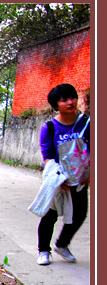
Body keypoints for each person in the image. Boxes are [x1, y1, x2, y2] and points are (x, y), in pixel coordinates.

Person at [35, 83, 90, 266]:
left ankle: (62, 244)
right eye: (64, 99)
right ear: (56, 105)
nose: (70, 102)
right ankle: (44, 251)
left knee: (79, 214)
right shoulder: (50, 128)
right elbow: (48, 157)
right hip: (58, 179)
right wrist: (59, 179)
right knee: (50, 216)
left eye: (73, 97)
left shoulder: (86, 123)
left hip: (80, 179)